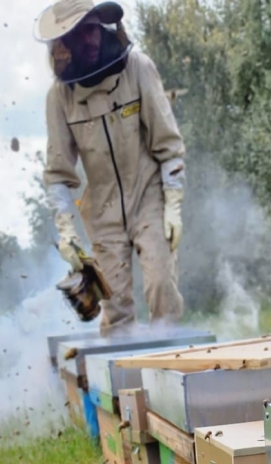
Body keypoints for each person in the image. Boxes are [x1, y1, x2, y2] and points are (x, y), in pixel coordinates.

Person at [34, 0, 185, 333]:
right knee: (116, 312)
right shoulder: (59, 97)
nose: (88, 40)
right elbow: (58, 174)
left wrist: (173, 202)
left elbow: (169, 145)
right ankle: (121, 383)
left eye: (91, 30)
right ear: (65, 44)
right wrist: (66, 232)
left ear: (101, 28)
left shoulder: (138, 68)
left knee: (161, 286)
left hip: (148, 196)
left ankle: (170, 374)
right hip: (102, 212)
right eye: (78, 34)